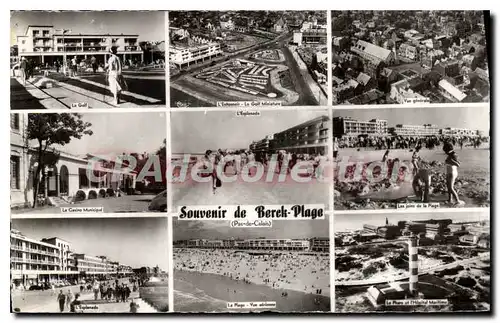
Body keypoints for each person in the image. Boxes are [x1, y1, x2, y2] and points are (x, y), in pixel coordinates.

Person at [443, 141, 465, 205]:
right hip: (449, 172)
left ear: (448, 149)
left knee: (451, 187)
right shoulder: (450, 154)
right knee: (448, 187)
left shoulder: (454, 154)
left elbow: (458, 164)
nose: (445, 152)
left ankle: (457, 201)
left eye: (445, 151)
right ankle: (450, 199)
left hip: (452, 172)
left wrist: (451, 161)